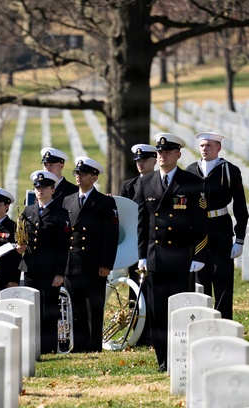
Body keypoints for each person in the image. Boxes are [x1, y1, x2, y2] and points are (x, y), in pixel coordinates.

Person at [136, 133, 208, 372]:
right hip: (155, 257)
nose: (162, 156)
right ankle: (163, 359)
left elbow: (200, 222)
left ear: (178, 154)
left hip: (181, 256)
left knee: (180, 309)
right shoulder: (146, 182)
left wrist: (198, 255)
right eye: (159, 153)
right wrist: (142, 255)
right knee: (157, 312)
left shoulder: (191, 182)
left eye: (167, 152)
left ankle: (180, 354)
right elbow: (142, 222)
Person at [184, 132, 249, 320]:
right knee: (199, 279)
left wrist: (240, 239)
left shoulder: (229, 170)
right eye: (202, 145)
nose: (205, 149)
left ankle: (224, 321)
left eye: (209, 145)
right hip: (198, 233)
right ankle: (201, 320)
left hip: (220, 229)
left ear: (219, 148)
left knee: (223, 279)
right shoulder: (190, 171)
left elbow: (240, 206)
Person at [62, 156, 118, 352]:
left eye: (83, 173)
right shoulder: (67, 200)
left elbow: (111, 236)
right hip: (71, 262)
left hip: (94, 263)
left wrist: (106, 264)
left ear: (94, 178)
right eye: (77, 173)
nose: (78, 176)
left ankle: (93, 344)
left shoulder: (105, 202)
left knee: (93, 306)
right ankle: (77, 344)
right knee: (75, 306)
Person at [18, 170, 69, 354]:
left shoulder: (60, 213)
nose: (40, 190)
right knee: (32, 310)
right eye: (37, 187)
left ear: (53, 189)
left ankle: (48, 348)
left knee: (49, 311)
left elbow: (63, 246)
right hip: (31, 268)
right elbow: (22, 236)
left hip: (50, 270)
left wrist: (59, 273)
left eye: (45, 187)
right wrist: (19, 247)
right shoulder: (28, 210)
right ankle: (33, 346)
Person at [120, 144, 157, 347]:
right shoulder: (129, 186)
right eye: (138, 161)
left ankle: (153, 331)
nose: (140, 164)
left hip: (157, 242)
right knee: (136, 290)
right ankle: (138, 333)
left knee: (153, 290)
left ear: (154, 160)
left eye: (144, 160)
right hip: (136, 245)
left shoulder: (160, 182)